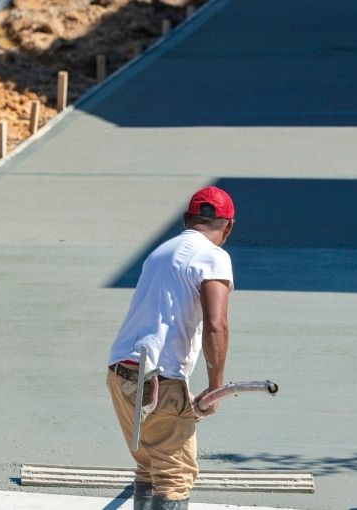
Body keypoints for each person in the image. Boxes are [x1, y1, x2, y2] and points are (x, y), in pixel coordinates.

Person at [106, 186, 236, 510]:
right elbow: (216, 324)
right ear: (228, 226)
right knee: (175, 476)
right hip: (158, 381)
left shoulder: (160, 253)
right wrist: (216, 389)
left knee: (151, 465)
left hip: (121, 374)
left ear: (185, 219)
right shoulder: (213, 256)